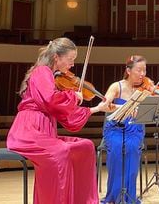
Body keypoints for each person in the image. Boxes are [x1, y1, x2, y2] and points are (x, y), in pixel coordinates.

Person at [6, 38, 111, 204]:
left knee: (85, 147)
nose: (72, 65)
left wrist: (97, 109)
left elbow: (62, 113)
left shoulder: (52, 77)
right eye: (70, 59)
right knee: (59, 152)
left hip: (45, 130)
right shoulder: (42, 71)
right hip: (29, 130)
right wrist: (73, 96)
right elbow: (50, 100)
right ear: (57, 57)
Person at [102, 55, 159, 204]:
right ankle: (114, 197)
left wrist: (156, 91)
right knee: (118, 149)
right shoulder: (116, 86)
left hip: (135, 129)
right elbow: (105, 105)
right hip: (115, 128)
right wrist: (127, 107)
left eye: (144, 70)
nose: (142, 74)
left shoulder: (146, 88)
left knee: (132, 149)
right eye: (139, 70)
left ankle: (129, 197)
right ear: (128, 70)